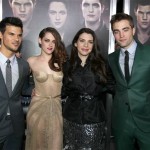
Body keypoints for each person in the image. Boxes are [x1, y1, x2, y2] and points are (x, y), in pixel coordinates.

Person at [108, 13, 150, 150]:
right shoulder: (111, 59)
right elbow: (108, 83)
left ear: (133, 30)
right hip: (121, 123)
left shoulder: (148, 53)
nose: (121, 35)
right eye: (116, 31)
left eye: (125, 29)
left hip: (146, 121)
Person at [62, 28, 107, 150]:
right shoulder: (66, 65)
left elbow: (112, 85)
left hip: (95, 118)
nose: (86, 45)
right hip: (71, 117)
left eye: (90, 42)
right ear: (76, 43)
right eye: (82, 41)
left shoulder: (102, 64)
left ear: (94, 45)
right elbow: (61, 90)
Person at [25, 27, 67, 150]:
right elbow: (20, 85)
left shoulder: (62, 62)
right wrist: (30, 90)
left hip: (56, 108)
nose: (50, 44)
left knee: (56, 145)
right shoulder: (31, 61)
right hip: (37, 109)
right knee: (37, 146)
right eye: (47, 40)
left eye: (53, 41)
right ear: (40, 40)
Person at [0, 17, 32, 150]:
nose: (16, 39)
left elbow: (24, 89)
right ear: (1, 35)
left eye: (19, 35)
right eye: (11, 34)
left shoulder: (24, 66)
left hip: (15, 128)